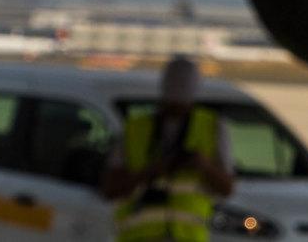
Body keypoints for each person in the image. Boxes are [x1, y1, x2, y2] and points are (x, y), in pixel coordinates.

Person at [100, 56, 236, 242]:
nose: (176, 106)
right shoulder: (136, 129)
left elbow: (227, 188)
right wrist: (149, 172)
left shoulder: (213, 127)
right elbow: (110, 189)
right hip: (139, 236)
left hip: (187, 237)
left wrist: (203, 165)